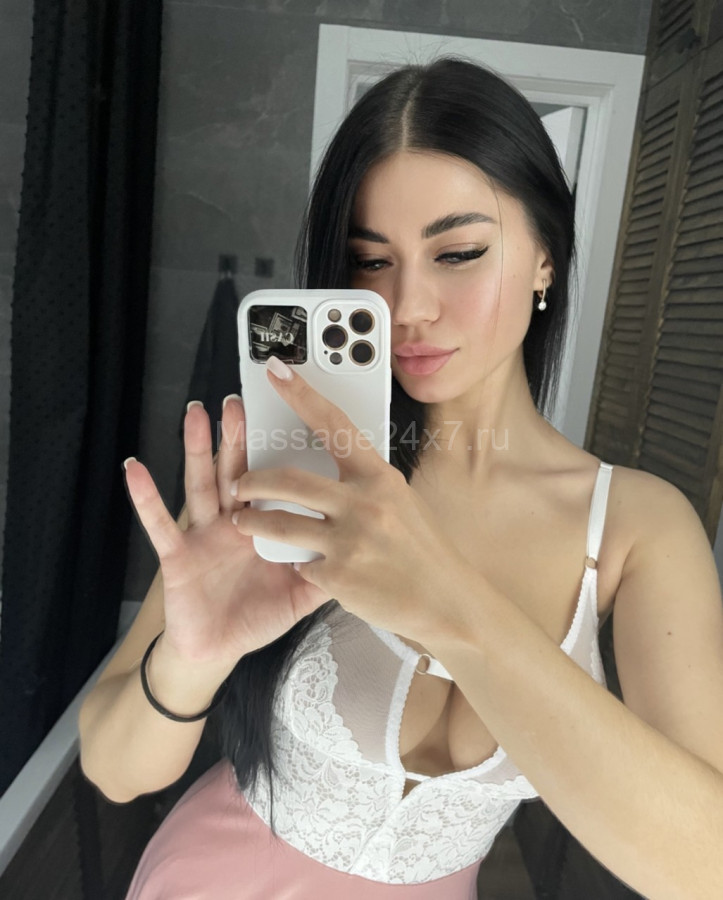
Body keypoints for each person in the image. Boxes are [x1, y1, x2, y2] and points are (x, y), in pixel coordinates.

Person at [78, 58, 723, 899]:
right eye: (369, 260)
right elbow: (113, 770)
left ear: (545, 258)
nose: (408, 306)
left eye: (458, 252)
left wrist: (446, 604)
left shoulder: (639, 527)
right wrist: (193, 659)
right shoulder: (295, 469)